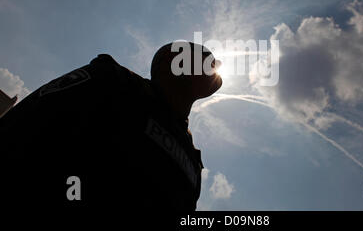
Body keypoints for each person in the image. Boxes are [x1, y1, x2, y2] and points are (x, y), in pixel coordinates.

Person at [0, 42, 222, 211]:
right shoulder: (115, 82)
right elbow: (24, 124)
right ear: (169, 61)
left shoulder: (192, 158)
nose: (213, 64)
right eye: (202, 56)